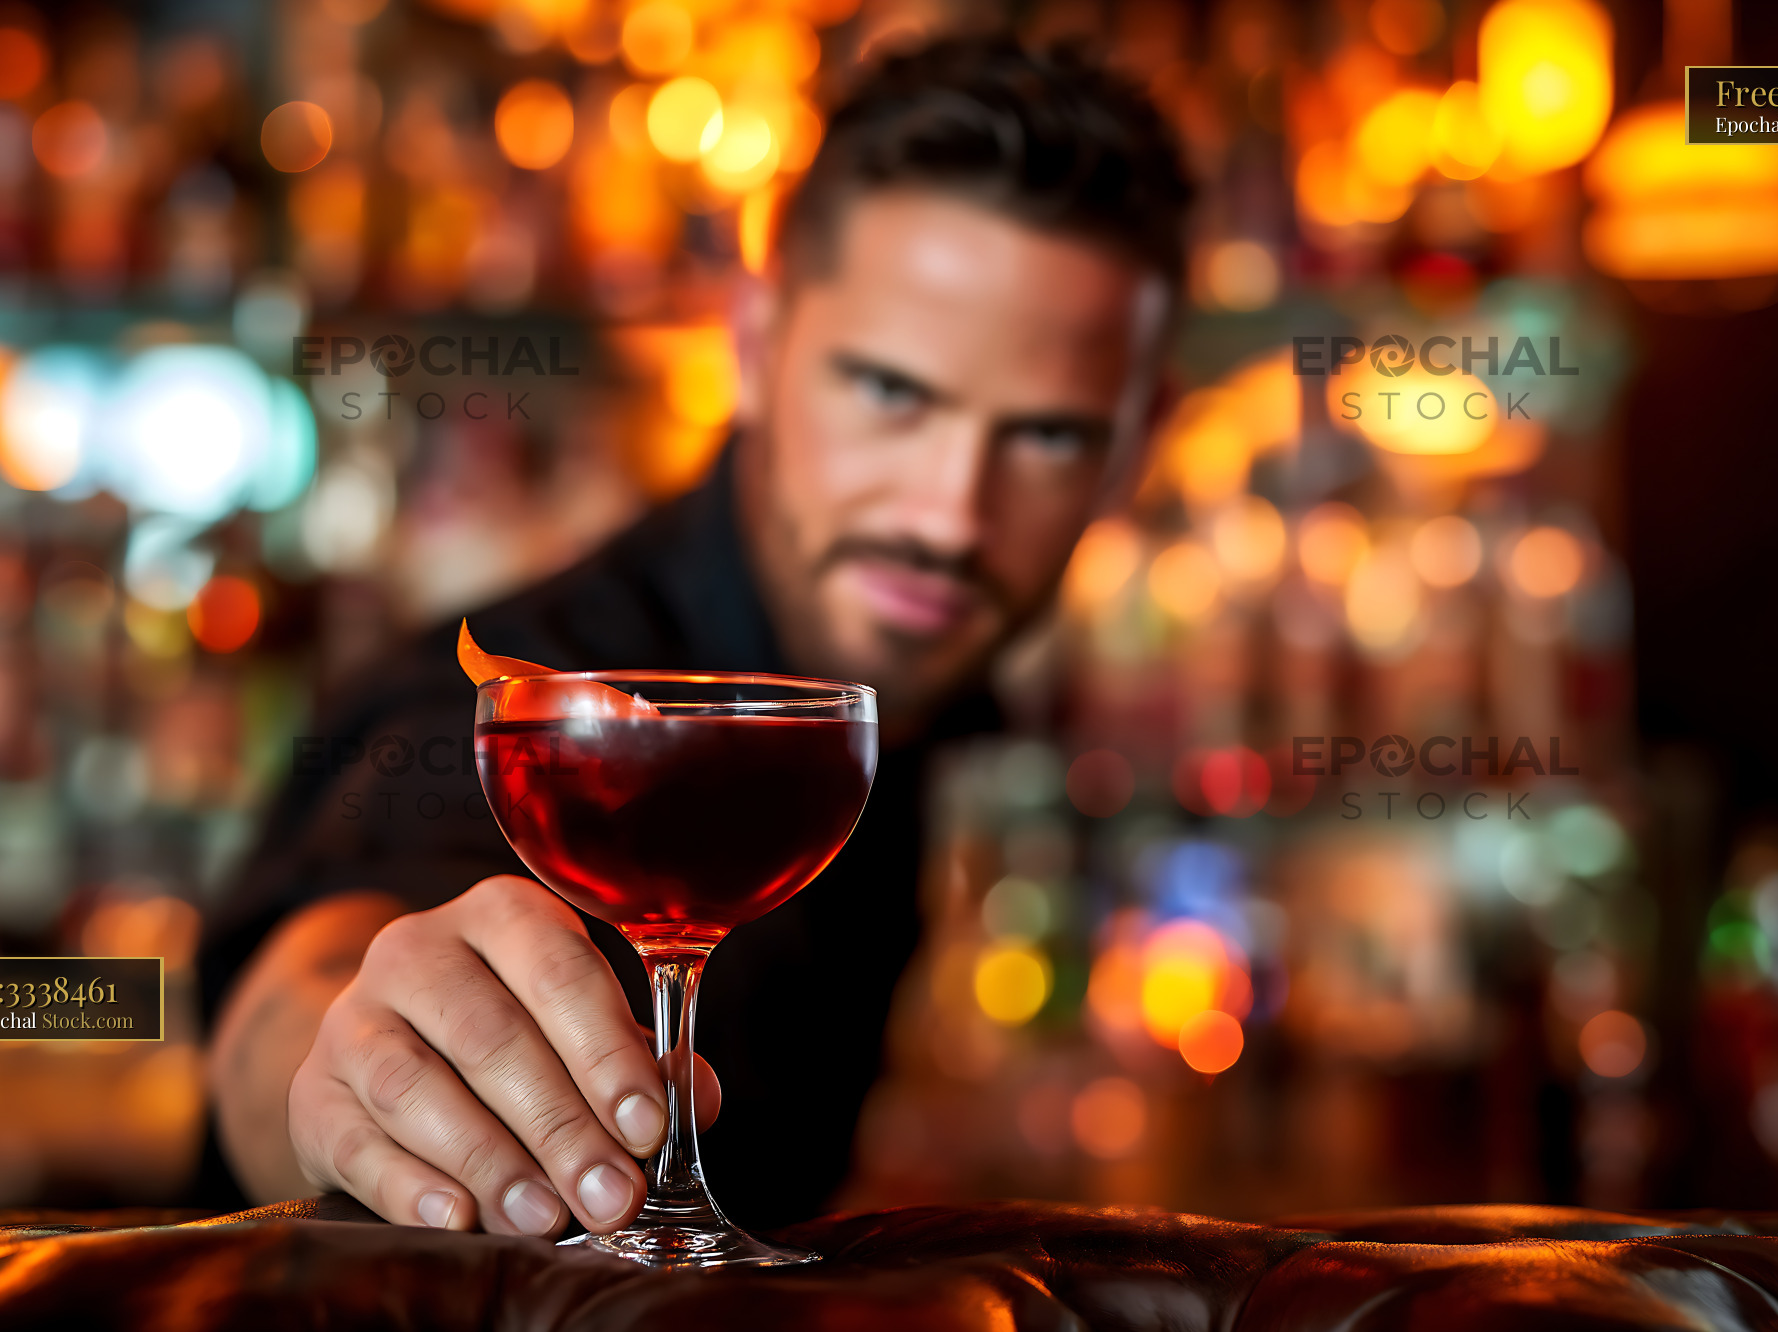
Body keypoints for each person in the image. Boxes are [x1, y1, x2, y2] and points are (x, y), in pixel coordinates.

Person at [199, 35, 1194, 1239]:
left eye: (1044, 436)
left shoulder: (916, 702)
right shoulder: (544, 696)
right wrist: (351, 1060)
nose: (948, 514)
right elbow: (312, 1002)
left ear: (1133, 447)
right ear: (754, 346)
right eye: (890, 392)